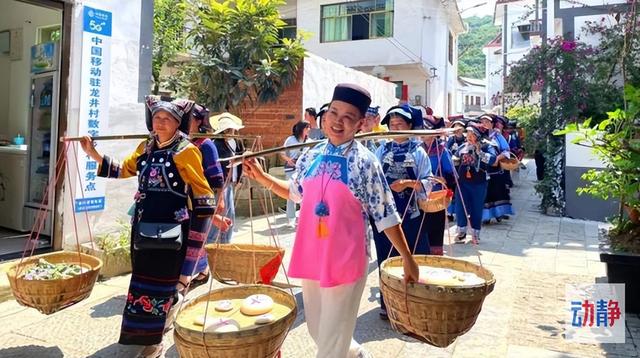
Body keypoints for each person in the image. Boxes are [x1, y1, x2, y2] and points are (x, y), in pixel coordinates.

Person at [242, 83, 419, 358]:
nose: (338, 121)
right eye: (334, 113)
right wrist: (262, 177)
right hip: (312, 252)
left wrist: (408, 258)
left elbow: (386, 215)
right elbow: (294, 193)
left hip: (345, 257)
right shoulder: (310, 155)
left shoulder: (366, 162)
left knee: (330, 340)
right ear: (325, 116)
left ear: (360, 124)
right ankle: (354, 353)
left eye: (348, 117)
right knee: (317, 328)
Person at [79, 97, 216, 358]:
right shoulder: (146, 147)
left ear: (178, 123)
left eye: (167, 118)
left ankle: (155, 342)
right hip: (142, 231)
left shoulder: (187, 151)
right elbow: (123, 169)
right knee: (142, 286)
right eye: (157, 117)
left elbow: (204, 200)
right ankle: (145, 337)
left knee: (166, 288)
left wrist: (191, 262)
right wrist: (92, 153)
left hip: (172, 234)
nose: (160, 122)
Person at [373, 104, 431, 319]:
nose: (396, 127)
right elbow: (373, 178)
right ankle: (388, 305)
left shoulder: (418, 152)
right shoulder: (381, 150)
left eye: (400, 124)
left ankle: (413, 305)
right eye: (392, 124)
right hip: (385, 214)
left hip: (411, 213)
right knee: (385, 258)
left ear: (409, 126)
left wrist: (407, 183)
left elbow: (429, 181)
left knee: (411, 256)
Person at [183, 103, 232, 290]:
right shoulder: (183, 141)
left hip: (201, 196)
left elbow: (217, 176)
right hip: (183, 196)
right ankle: (201, 270)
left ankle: (191, 275)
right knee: (190, 236)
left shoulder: (206, 144)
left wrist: (219, 200)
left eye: (190, 118)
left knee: (196, 235)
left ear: (199, 121)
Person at [455, 123, 498, 243]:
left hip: (479, 183)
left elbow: (493, 160)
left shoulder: (486, 146)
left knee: (476, 208)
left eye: (471, 134)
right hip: (463, 182)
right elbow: (455, 156)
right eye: (467, 134)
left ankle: (475, 234)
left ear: (478, 136)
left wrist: (479, 152)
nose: (468, 137)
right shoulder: (463, 146)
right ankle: (462, 232)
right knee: (461, 206)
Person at [422, 115, 456, 256]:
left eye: (426, 129)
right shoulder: (418, 149)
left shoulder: (442, 151)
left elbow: (451, 175)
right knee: (421, 229)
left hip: (436, 198)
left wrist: (442, 178)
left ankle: (435, 257)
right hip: (421, 197)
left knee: (435, 228)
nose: (423, 133)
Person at [210, 112, 246, 243]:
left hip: (230, 183)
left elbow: (239, 161)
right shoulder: (216, 145)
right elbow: (218, 165)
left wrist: (239, 179)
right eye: (231, 129)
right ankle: (213, 244)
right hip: (221, 185)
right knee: (220, 216)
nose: (234, 132)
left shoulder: (234, 143)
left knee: (230, 215)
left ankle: (225, 243)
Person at [479, 114, 515, 223]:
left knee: (497, 192)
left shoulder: (497, 135)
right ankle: (486, 216)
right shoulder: (479, 135)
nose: (484, 124)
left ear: (492, 124)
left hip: (496, 170)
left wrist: (497, 158)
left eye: (487, 122)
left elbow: (506, 151)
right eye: (482, 122)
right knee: (485, 194)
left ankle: (498, 213)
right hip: (483, 169)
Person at [281, 120, 311, 227]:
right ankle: (291, 218)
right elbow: (282, 153)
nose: (309, 130)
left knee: (304, 194)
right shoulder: (290, 140)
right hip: (291, 169)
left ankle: (303, 218)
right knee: (291, 194)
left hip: (303, 171)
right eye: (307, 127)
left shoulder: (310, 141)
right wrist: (288, 159)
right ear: (301, 128)